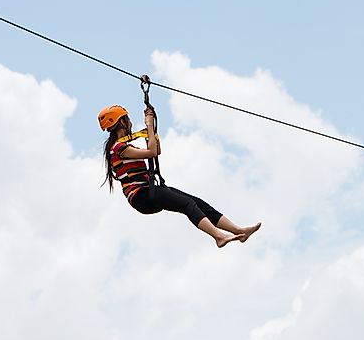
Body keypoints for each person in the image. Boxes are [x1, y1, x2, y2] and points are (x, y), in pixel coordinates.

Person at [99, 104, 261, 248]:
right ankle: (218, 236)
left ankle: (238, 231)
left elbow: (157, 151)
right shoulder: (118, 148)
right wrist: (148, 125)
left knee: (197, 202)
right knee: (187, 204)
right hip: (141, 195)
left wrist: (151, 129)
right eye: (126, 119)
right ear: (120, 122)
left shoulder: (125, 146)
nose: (130, 122)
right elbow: (152, 152)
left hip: (149, 191)